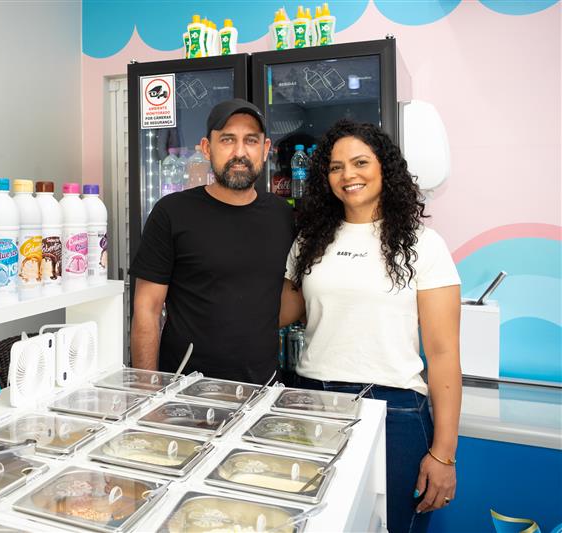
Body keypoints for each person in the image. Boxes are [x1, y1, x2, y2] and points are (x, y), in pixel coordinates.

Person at [279, 120, 461, 533]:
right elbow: (281, 313)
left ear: (384, 168)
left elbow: (444, 354)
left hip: (393, 410)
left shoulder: (423, 245)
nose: (348, 175)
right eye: (336, 167)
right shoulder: (309, 241)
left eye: (360, 162)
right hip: (313, 403)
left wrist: (444, 453)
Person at [130, 98, 294, 385]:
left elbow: (287, 299)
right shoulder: (172, 213)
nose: (240, 152)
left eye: (251, 140)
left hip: (263, 388)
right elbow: (147, 309)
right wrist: (147, 391)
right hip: (184, 389)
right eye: (228, 140)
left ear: (265, 148)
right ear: (207, 148)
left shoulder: (283, 216)